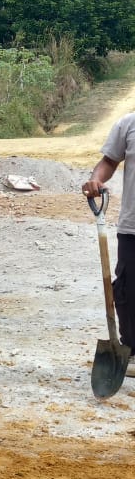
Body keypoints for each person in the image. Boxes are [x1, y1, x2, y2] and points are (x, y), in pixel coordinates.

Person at [82, 114, 135, 373]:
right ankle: (132, 350)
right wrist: (96, 180)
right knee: (127, 290)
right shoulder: (128, 124)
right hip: (133, 227)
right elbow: (109, 161)